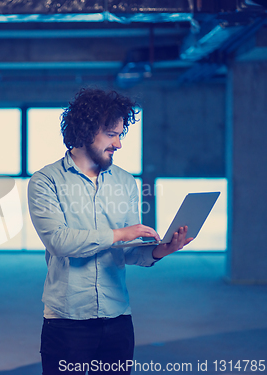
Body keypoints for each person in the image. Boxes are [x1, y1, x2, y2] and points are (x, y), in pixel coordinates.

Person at [28, 88, 193, 375]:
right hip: (67, 320)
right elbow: (58, 242)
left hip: (117, 317)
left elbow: (128, 252)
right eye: (111, 134)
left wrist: (160, 250)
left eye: (120, 135)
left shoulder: (127, 182)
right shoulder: (46, 181)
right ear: (85, 130)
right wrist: (118, 234)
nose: (118, 144)